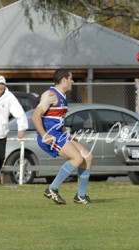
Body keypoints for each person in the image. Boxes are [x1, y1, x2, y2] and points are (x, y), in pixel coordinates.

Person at [32, 69, 93, 205]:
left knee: (87, 156)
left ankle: (80, 196)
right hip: (51, 136)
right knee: (77, 158)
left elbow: (57, 120)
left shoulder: (63, 97)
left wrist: (67, 133)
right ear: (64, 80)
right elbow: (35, 115)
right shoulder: (51, 94)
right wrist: (44, 135)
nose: (73, 81)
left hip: (59, 134)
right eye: (71, 78)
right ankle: (52, 189)